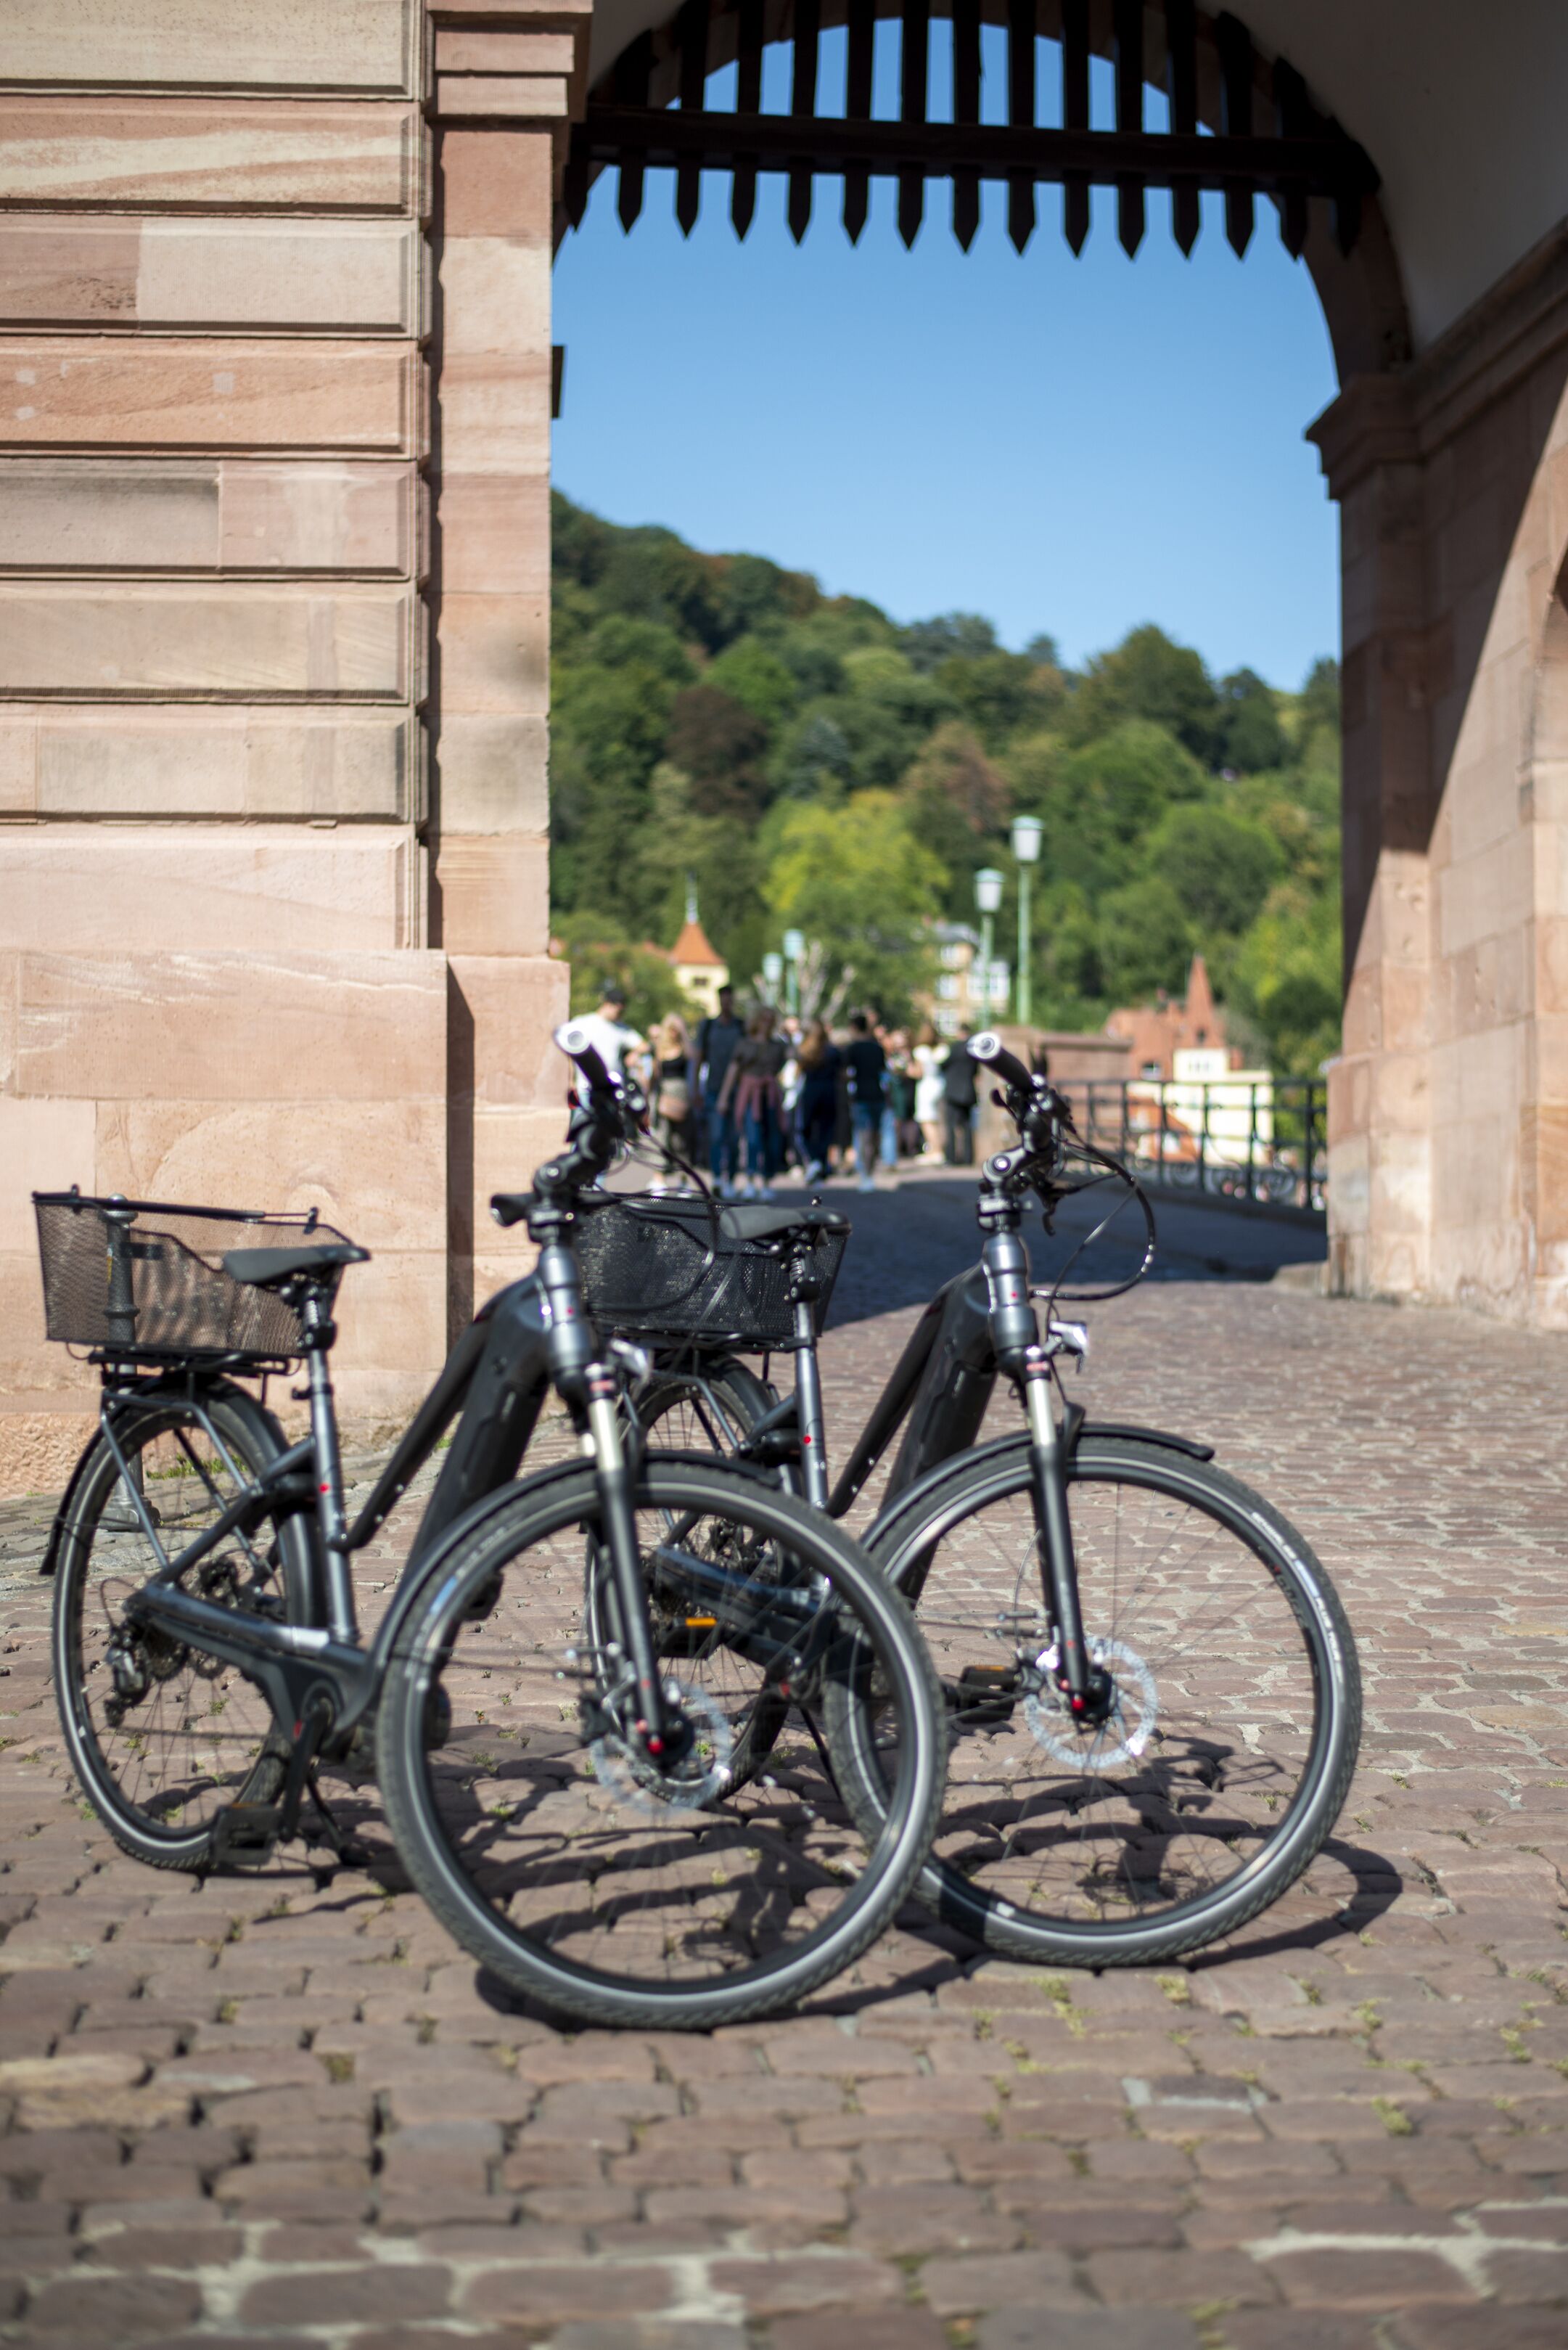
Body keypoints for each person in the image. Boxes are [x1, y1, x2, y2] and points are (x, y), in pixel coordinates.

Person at [718, 1007, 788, 1200]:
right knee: (752, 1138)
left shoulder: (777, 1046)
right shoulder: (744, 1043)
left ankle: (766, 1180)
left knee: (771, 1139)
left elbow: (790, 1063)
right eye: (763, 1018)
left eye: (770, 1019)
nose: (766, 1022)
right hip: (749, 1095)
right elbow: (733, 1070)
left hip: (770, 1095)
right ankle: (749, 1180)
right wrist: (723, 1097)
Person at [697, 984, 745, 1198]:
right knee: (716, 1136)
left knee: (734, 1139)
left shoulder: (741, 1027)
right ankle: (717, 1176)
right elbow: (698, 1057)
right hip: (714, 1088)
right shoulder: (708, 1027)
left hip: (738, 1090)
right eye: (723, 999)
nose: (727, 1003)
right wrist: (695, 1088)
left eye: (729, 999)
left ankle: (731, 1179)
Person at [569, 980, 643, 1102]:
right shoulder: (582, 1023)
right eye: (618, 1010)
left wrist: (635, 1054)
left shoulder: (621, 1029)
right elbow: (570, 1053)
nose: (620, 1014)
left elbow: (643, 1046)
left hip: (613, 1089)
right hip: (585, 1089)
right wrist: (570, 1081)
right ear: (607, 1004)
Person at [844, 1010, 888, 1195]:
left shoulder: (852, 1049)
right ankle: (869, 1171)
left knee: (863, 1135)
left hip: (860, 1096)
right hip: (877, 1095)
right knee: (875, 1135)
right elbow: (884, 1074)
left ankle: (865, 1174)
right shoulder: (877, 1048)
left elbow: (845, 1074)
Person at [644, 1012, 694, 1169]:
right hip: (662, 1093)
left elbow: (692, 1056)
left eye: (677, 1030)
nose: (674, 1033)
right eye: (671, 1029)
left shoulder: (685, 1048)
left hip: (681, 1094)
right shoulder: (659, 1049)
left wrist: (684, 1033)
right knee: (661, 1136)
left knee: (681, 1140)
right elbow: (653, 1074)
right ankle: (659, 1176)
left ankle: (683, 1177)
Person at [794, 1019, 841, 1182]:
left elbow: (797, 1072)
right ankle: (819, 1163)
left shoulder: (804, 1051)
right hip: (828, 1091)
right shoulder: (832, 1051)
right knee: (825, 1130)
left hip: (812, 1091)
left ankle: (815, 1161)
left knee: (804, 1129)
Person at [941, 1026, 978, 1166]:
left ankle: (951, 1157)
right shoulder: (973, 1051)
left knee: (951, 1125)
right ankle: (968, 1158)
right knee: (967, 1126)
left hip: (953, 1091)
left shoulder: (955, 1047)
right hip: (968, 1091)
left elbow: (944, 1064)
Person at [913, 1023, 946, 1161]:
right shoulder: (942, 1050)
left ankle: (935, 1151)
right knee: (938, 1120)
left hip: (926, 1085)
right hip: (940, 1084)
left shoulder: (921, 1051)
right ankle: (938, 1149)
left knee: (927, 1120)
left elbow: (918, 1072)